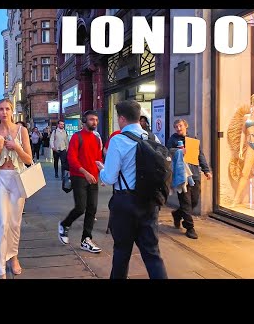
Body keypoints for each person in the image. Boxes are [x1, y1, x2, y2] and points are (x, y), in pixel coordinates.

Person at [97, 100, 168, 279]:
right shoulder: (153, 139)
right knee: (152, 254)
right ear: (139, 117)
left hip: (125, 203)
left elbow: (110, 177)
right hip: (150, 202)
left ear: (122, 119)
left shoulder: (118, 140)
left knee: (121, 253)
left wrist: (102, 170)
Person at [0, 99, 33, 279]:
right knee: (2, 223)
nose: (4, 112)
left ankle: (14, 257)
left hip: (17, 179)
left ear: (12, 111)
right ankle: (1, 269)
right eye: (0, 109)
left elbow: (28, 159)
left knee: (14, 223)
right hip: (0, 179)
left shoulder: (21, 131)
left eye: (7, 109)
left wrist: (16, 147)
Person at [58, 110, 103, 253]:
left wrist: (104, 174)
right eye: (91, 119)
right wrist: (85, 172)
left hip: (93, 178)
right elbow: (72, 159)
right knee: (80, 207)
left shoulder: (96, 139)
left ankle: (86, 239)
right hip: (79, 177)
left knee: (92, 208)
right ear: (84, 121)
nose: (94, 122)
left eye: (96, 119)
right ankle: (65, 224)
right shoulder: (77, 137)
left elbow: (98, 159)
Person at [166, 118, 212, 239]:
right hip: (182, 175)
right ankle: (189, 228)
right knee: (186, 202)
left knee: (194, 201)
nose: (178, 128)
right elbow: (167, 152)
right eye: (176, 127)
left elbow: (200, 155)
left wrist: (206, 170)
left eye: (180, 126)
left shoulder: (193, 140)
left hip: (194, 173)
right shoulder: (173, 140)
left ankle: (177, 214)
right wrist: (179, 151)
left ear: (186, 126)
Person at [228, 93, 254, 207]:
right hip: (251, 144)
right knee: (245, 172)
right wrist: (240, 149)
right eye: (253, 101)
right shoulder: (247, 117)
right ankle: (236, 199)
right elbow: (243, 133)